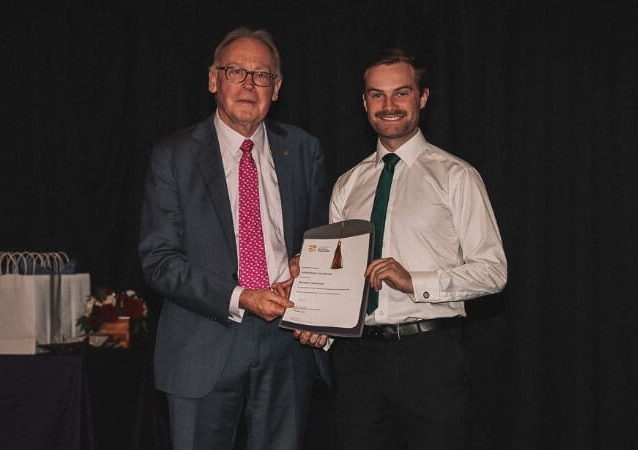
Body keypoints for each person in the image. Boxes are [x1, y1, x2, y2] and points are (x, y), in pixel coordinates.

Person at [290, 48, 507, 449]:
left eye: (401, 93)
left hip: (429, 358)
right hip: (357, 362)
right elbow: (338, 277)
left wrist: (415, 281)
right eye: (377, 95)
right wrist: (317, 320)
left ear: (422, 97)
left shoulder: (456, 176)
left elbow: (493, 272)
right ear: (364, 102)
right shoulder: (347, 184)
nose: (389, 106)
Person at [138, 27, 330, 450]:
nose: (248, 84)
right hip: (201, 342)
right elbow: (159, 259)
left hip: (287, 340)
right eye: (235, 72)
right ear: (213, 81)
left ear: (276, 89)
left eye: (262, 75)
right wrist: (242, 296)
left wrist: (304, 266)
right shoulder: (173, 155)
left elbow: (319, 240)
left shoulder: (302, 149)